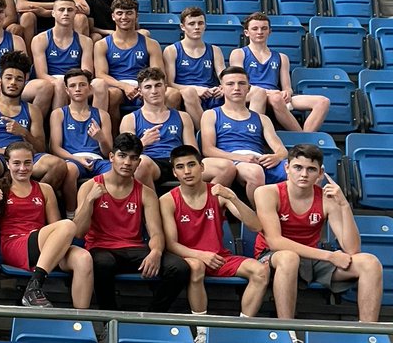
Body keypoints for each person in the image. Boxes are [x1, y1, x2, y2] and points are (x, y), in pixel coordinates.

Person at [257, 146, 384, 326]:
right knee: (289, 258)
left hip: (311, 260)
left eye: (311, 169)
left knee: (370, 263)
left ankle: (368, 331)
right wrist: (330, 256)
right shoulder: (267, 193)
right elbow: (275, 242)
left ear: (321, 173)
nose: (304, 174)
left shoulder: (326, 198)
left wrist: (344, 205)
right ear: (286, 167)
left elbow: (352, 249)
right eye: (298, 167)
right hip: (273, 257)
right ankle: (286, 330)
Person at [159, 145, 268, 340]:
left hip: (219, 257)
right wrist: (201, 255)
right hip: (189, 258)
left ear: (202, 167)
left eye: (191, 165)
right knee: (196, 266)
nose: (187, 171)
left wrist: (233, 196)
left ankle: (242, 329)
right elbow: (171, 244)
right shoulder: (168, 200)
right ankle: (202, 332)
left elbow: (256, 225)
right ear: (175, 172)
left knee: (260, 271)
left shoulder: (218, 193)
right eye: (181, 167)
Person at [74, 133, 190, 312]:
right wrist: (89, 201)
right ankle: (109, 319)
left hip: (134, 249)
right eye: (122, 156)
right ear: (112, 157)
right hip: (102, 249)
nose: (127, 162)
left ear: (138, 162)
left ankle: (151, 318)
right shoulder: (89, 186)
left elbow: (156, 232)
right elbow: (79, 233)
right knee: (102, 264)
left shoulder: (146, 193)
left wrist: (156, 252)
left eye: (134, 158)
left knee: (179, 267)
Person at [0, 141, 93, 308]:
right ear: (7, 164)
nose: (22, 168)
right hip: (15, 245)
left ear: (34, 163)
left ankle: (82, 322)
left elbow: (57, 229)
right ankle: (35, 285)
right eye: (16, 163)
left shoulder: (45, 189)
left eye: (27, 162)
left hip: (43, 246)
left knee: (84, 258)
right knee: (68, 226)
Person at [120, 67, 234, 190]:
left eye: (158, 85)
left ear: (165, 88)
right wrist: (142, 143)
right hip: (153, 164)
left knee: (227, 167)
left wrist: (184, 158)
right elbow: (126, 157)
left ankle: (203, 202)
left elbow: (193, 151)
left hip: (180, 161)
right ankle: (152, 206)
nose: (154, 91)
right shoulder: (130, 119)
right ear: (140, 91)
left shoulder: (182, 116)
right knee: (141, 163)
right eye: (148, 87)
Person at [0, 51, 66, 188]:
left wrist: (24, 133)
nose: (13, 83)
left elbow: (40, 147)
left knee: (59, 165)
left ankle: (33, 197)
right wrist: (7, 154)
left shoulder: (32, 110)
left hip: (27, 157)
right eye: (8, 78)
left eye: (18, 79)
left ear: (24, 82)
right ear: (0, 81)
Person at [229, 12, 330, 132]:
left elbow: (287, 87)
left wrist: (287, 92)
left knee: (323, 101)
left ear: (269, 32)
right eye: (255, 29)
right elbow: (239, 83)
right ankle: (301, 136)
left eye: (264, 28)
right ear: (246, 33)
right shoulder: (239, 53)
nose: (260, 32)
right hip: (252, 94)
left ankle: (307, 134)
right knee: (274, 97)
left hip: (275, 94)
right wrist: (270, 92)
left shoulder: (281, 57)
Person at [201, 67, 289, 205]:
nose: (236, 88)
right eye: (230, 84)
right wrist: (240, 158)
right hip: (232, 160)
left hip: (259, 160)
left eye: (241, 83)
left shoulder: (262, 118)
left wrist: (276, 157)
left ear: (248, 88)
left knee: (305, 171)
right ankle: (261, 218)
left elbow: (282, 150)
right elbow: (208, 149)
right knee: (255, 172)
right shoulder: (211, 114)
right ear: (221, 88)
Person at [92, 0, 166, 124]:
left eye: (129, 13)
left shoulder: (151, 44)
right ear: (113, 16)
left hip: (143, 85)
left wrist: (143, 88)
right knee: (114, 94)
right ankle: (113, 138)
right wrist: (124, 86)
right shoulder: (102, 44)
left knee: (172, 94)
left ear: (136, 16)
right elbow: (100, 74)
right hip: (116, 85)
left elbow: (158, 73)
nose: (124, 17)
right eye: (119, 13)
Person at [49, 69, 113, 213]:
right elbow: (55, 147)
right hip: (72, 159)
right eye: (72, 86)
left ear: (90, 88)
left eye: (82, 85)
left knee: (116, 170)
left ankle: (108, 214)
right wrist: (76, 158)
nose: (77, 89)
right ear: (66, 90)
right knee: (70, 169)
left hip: (98, 161)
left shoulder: (102, 115)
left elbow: (108, 152)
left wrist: (101, 138)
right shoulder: (59, 114)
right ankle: (72, 212)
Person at [31, 0, 96, 111]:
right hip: (50, 80)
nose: (66, 13)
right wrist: (62, 84)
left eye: (70, 10)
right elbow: (41, 74)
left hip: (75, 81)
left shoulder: (85, 41)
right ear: (53, 13)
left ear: (75, 13)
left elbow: (86, 72)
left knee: (99, 84)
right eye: (61, 10)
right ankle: (57, 124)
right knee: (59, 83)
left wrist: (72, 84)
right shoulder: (40, 39)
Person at [164, 7, 224, 123]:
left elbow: (224, 78)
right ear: (182, 27)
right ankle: (204, 133)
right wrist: (195, 89)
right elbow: (170, 83)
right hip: (186, 93)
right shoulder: (171, 50)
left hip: (210, 93)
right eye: (192, 24)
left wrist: (222, 88)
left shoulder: (215, 50)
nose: (197, 27)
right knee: (189, 92)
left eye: (200, 23)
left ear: (205, 26)